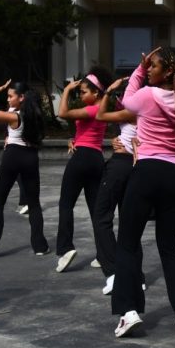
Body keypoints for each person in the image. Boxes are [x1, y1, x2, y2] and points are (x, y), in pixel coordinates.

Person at [110, 46, 175, 338]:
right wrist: (146, 68)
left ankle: (128, 312)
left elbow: (125, 100)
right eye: (147, 66)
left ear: (166, 72)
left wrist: (137, 71)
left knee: (127, 243)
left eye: (153, 66)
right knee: (169, 248)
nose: (147, 68)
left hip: (148, 171)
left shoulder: (148, 94)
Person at [0, 80, 49, 259]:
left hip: (13, 157)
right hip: (30, 157)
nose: (8, 99)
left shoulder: (14, 116)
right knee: (34, 204)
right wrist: (9, 137)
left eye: (11, 96)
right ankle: (40, 246)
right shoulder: (34, 114)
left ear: (21, 98)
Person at [54, 67, 113, 272]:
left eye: (84, 92)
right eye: (79, 92)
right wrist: (74, 140)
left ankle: (65, 248)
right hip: (95, 158)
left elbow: (62, 113)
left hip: (81, 159)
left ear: (96, 93)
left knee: (65, 204)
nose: (81, 94)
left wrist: (68, 90)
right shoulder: (102, 108)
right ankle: (103, 254)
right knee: (96, 210)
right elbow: (87, 133)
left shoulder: (93, 109)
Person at [94, 78, 140, 295]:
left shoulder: (132, 112)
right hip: (135, 167)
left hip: (121, 165)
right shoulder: (149, 111)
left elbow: (100, 115)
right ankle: (135, 276)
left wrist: (108, 92)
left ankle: (114, 272)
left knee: (101, 217)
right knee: (129, 224)